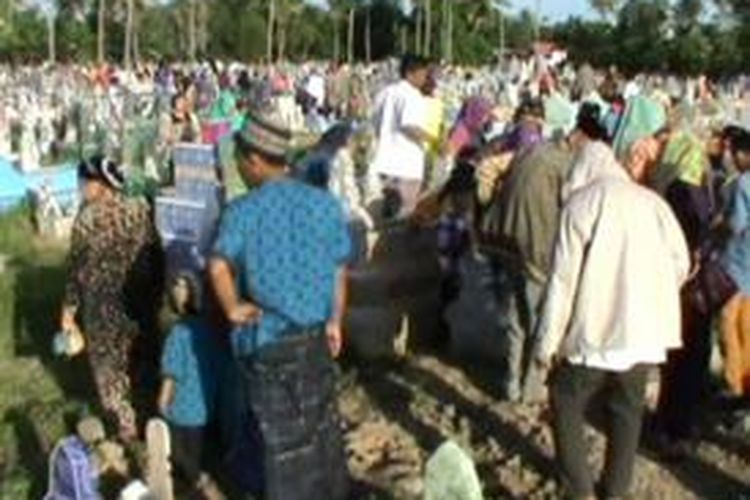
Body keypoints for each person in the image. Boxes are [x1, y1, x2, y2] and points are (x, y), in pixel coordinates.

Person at [534, 141, 690, 499]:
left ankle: (579, 489)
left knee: (565, 399)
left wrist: (547, 344)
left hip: (596, 330)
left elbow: (562, 281)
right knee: (627, 412)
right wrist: (649, 294)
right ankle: (615, 491)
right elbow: (681, 264)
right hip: (645, 334)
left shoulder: (581, 205)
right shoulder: (654, 203)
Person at [209, 110, 351, 500]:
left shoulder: (242, 211)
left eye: (238, 158)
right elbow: (339, 271)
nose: (237, 166)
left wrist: (233, 308)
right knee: (321, 428)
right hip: (315, 336)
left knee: (277, 439)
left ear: (254, 159)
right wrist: (335, 321)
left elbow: (218, 264)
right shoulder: (323, 205)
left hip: (268, 340)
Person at [60, 155, 163, 441]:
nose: (81, 188)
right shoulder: (139, 209)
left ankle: (126, 429)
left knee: (110, 372)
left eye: (84, 182)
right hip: (139, 302)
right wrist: (155, 297)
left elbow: (76, 270)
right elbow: (155, 256)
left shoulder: (86, 219)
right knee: (141, 361)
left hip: (103, 309)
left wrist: (68, 311)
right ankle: (151, 422)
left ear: (100, 184)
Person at [158, 273, 225, 500]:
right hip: (204, 406)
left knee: (181, 457)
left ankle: (204, 488)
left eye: (182, 287)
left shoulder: (178, 332)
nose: (177, 291)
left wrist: (163, 401)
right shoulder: (208, 329)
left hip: (181, 409)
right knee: (197, 454)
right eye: (176, 285)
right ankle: (198, 487)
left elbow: (172, 372)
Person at [370, 54, 431, 219]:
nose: (425, 78)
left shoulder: (385, 92)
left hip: (384, 161)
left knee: (385, 213)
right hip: (406, 164)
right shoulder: (411, 95)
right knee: (404, 214)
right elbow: (409, 126)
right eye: (423, 74)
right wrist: (434, 140)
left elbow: (375, 121)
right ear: (410, 73)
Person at [719, 131, 750, 397]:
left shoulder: (742, 184)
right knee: (746, 325)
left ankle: (733, 381)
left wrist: (720, 221)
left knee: (728, 321)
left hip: (739, 262)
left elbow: (737, 225)